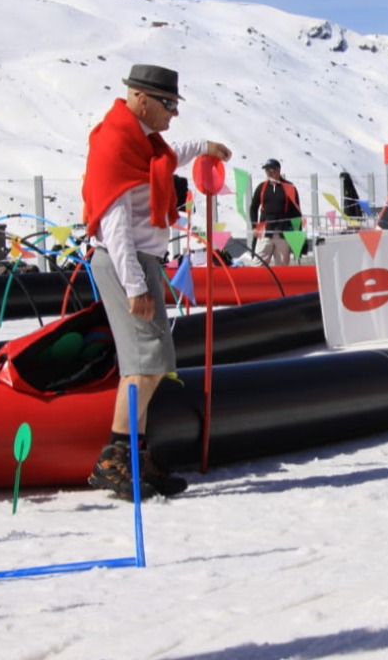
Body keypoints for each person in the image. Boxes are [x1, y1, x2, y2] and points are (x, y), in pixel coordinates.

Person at [82, 63, 231, 500]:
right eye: (168, 104)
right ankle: (114, 459)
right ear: (140, 99)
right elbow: (114, 226)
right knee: (147, 365)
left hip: (142, 262)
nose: (173, 113)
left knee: (145, 365)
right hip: (126, 263)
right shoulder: (114, 146)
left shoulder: (141, 143)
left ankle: (133, 459)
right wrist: (135, 287)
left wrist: (206, 147)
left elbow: (169, 154)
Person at [249, 159, 302, 266]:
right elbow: (253, 208)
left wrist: (297, 235)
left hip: (283, 232)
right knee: (258, 264)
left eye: (271, 169)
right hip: (265, 231)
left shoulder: (289, 187)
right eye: (266, 170)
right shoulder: (262, 187)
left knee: (282, 265)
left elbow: (296, 213)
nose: (269, 172)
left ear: (278, 170)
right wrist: (254, 226)